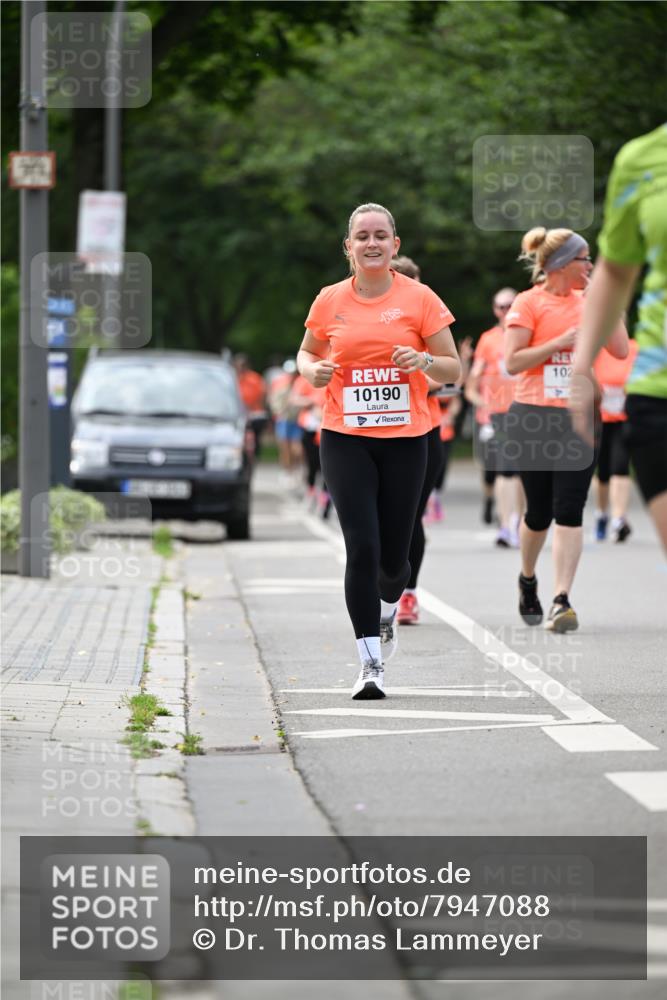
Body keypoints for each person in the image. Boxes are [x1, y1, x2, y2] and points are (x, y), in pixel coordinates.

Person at [297, 203, 460, 698]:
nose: (372, 243)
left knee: (394, 559)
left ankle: (390, 606)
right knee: (361, 547)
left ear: (395, 246)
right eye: (362, 236)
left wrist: (425, 359)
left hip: (407, 439)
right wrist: (311, 371)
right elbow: (307, 351)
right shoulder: (330, 300)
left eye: (381, 236)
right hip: (345, 437)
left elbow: (453, 369)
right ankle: (370, 663)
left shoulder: (420, 299)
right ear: (348, 247)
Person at [504, 227, 628, 632]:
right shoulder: (528, 303)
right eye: (584, 259)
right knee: (538, 514)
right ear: (561, 264)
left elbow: (620, 349)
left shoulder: (590, 301)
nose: (590, 266)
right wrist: (562, 341)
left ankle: (561, 599)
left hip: (578, 418)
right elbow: (514, 362)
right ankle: (527, 578)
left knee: (570, 509)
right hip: (533, 417)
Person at [570, 124, 667, 553]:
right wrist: (579, 370)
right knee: (610, 467)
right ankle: (612, 515)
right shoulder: (642, 159)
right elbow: (614, 271)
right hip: (658, 388)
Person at [465, 288, 524, 547]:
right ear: (494, 310)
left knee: (519, 470)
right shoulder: (488, 340)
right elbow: (471, 386)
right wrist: (484, 404)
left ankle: (515, 524)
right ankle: (504, 522)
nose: (505, 311)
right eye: (501, 307)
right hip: (496, 414)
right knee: (501, 470)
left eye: (510, 305)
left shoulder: (527, 335)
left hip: (525, 412)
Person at [591, 338, 639, 542]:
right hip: (599, 418)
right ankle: (602, 514)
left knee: (620, 466)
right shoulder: (596, 348)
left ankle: (619, 519)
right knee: (602, 472)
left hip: (624, 416)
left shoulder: (635, 348)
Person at [233, 354, 268, 459]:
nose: (241, 368)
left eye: (243, 365)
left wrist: (253, 406)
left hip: (255, 413)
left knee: (255, 436)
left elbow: (262, 395)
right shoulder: (233, 378)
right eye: (239, 365)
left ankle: (253, 455)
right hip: (239, 413)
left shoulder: (254, 378)